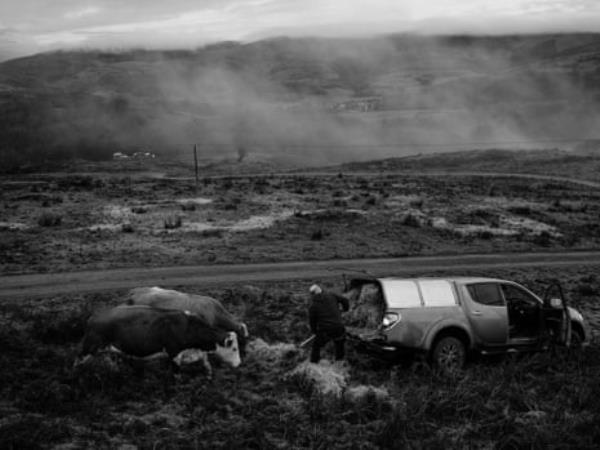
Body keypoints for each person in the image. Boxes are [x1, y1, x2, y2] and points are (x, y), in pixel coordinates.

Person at [308, 284, 349, 363]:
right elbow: (345, 300)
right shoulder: (331, 295)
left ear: (312, 295)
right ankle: (339, 362)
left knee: (316, 346)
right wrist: (345, 309)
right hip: (338, 327)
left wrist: (315, 332)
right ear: (320, 290)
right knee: (339, 344)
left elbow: (312, 322)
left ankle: (314, 363)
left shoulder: (313, 306)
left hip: (325, 330)